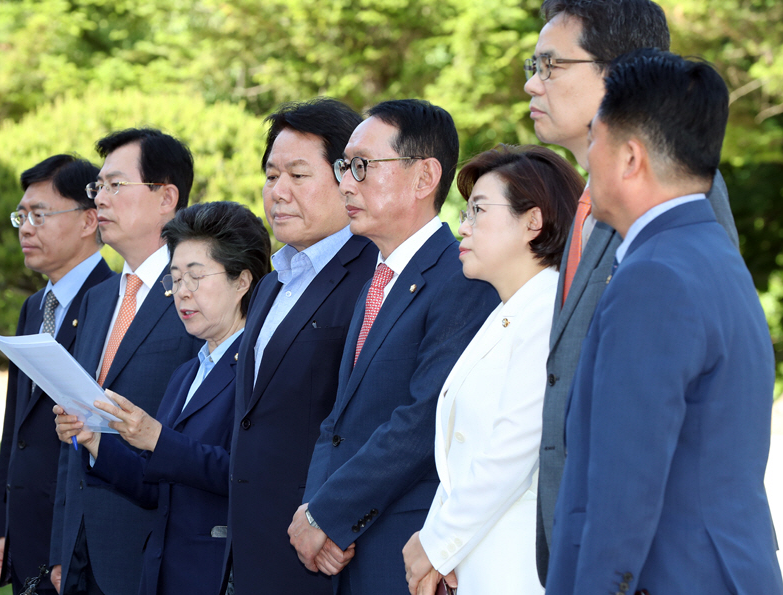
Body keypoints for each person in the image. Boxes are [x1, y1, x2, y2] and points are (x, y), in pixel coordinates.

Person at [546, 49, 783, 594]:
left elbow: (623, 488)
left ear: (630, 158)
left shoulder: (655, 276)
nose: (588, 160)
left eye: (594, 141)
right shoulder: (711, 255)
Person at [522, 0, 740, 583]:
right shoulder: (589, 200)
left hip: (657, 561)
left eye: (550, 66)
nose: (531, 84)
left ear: (615, 75)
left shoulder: (680, 201)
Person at [290, 99, 499, 594]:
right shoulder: (378, 278)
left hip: (402, 553)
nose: (345, 182)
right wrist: (313, 512)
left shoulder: (461, 276)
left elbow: (421, 420)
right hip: (343, 550)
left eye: (362, 166)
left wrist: (327, 513)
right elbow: (338, 420)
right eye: (344, 166)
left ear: (425, 177)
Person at [54, 201, 271, 595]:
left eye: (196, 277)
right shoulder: (186, 373)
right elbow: (155, 484)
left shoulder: (261, 368)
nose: (181, 293)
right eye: (175, 278)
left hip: (220, 575)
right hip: (161, 574)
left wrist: (156, 438)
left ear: (242, 281)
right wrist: (94, 440)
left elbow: (248, 473)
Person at [403, 145, 581, 595]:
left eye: (478, 210)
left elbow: (513, 446)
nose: (463, 226)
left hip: (517, 569)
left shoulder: (547, 314)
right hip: (478, 563)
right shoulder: (510, 311)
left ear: (532, 222)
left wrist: (435, 543)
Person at [223, 98, 376, 595]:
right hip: (252, 548)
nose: (278, 192)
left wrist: (335, 517)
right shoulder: (271, 283)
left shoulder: (373, 277)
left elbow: (372, 420)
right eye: (271, 177)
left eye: (297, 175)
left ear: (348, 177)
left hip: (326, 550)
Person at [49, 129, 201, 595]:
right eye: (98, 188)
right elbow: (74, 423)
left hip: (153, 546)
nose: (101, 201)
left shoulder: (197, 294)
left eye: (116, 185)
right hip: (79, 550)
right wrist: (59, 548)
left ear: (166, 197)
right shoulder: (97, 300)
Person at [0, 155, 112, 595]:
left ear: (87, 221)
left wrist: (66, 547)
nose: (25, 227)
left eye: (38, 215)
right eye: (21, 216)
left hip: (76, 541)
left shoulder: (114, 301)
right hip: (27, 533)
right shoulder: (33, 307)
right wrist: (5, 526)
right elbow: (16, 424)